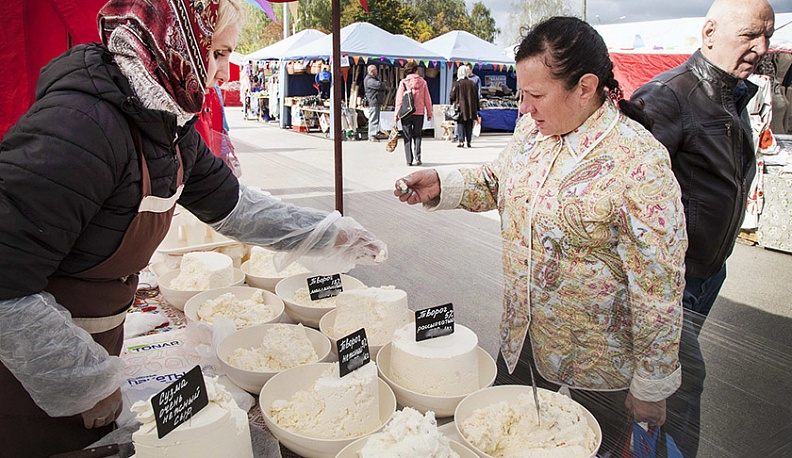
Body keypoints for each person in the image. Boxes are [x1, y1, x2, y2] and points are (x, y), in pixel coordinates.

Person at [0, 1, 387, 456]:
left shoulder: (165, 123)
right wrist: (80, 380)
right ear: (174, 40)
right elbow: (6, 282)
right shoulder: (79, 126)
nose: (224, 72)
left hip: (95, 339)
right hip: (27, 364)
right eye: (217, 53)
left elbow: (236, 206)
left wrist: (327, 233)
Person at [393, 17, 687, 455]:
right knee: (506, 439)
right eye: (521, 94)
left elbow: (658, 287)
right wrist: (441, 183)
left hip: (598, 369)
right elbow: (499, 180)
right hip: (524, 340)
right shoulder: (532, 131)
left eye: (536, 95)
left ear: (585, 87)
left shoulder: (639, 162)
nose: (525, 107)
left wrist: (652, 382)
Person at [630, 1, 775, 456]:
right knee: (677, 386)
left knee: (667, 388)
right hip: (671, 284)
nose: (761, 47)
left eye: (768, 36)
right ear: (709, 32)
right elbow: (624, 195)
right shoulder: (666, 96)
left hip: (708, 275)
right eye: (750, 35)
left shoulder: (731, 92)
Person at [394, 61, 432, 166]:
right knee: (417, 135)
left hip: (406, 112)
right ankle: (418, 157)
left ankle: (409, 160)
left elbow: (399, 99)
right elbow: (427, 98)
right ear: (416, 70)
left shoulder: (403, 82)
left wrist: (396, 114)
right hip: (419, 112)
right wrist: (429, 112)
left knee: (407, 136)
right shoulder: (423, 82)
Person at [449, 66, 480, 148]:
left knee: (460, 124)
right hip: (470, 108)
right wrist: (477, 108)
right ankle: (468, 141)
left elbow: (452, 96)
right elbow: (476, 96)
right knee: (469, 124)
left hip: (460, 108)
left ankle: (461, 141)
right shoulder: (472, 83)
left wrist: (452, 102)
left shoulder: (457, 83)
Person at [364, 64, 386, 142]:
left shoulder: (373, 78)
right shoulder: (369, 80)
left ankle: (374, 133)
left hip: (376, 101)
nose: (377, 71)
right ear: (372, 71)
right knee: (373, 118)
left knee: (376, 118)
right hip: (373, 100)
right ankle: (372, 135)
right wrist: (383, 84)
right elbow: (379, 85)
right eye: (376, 70)